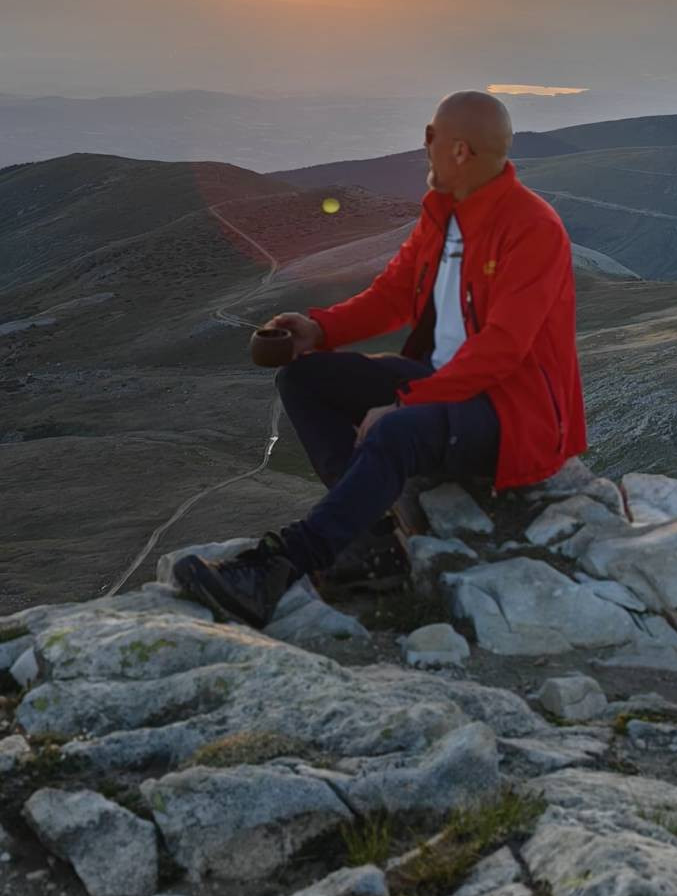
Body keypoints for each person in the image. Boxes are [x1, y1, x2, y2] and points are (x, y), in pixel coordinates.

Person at [175, 88, 587, 629]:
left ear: (460, 151)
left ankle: (280, 568)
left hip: (511, 412)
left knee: (394, 433)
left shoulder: (532, 229)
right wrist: (319, 329)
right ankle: (371, 545)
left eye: (431, 139)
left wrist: (407, 403)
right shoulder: (445, 215)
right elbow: (393, 295)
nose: (424, 148)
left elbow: (503, 349)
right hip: (446, 386)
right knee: (304, 379)